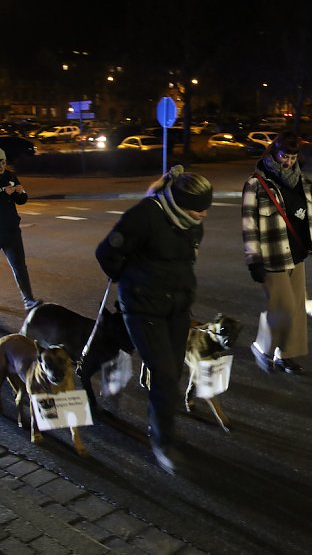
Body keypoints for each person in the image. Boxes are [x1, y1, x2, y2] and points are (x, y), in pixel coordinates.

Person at [95, 165, 213, 474]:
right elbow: (106, 253)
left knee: (173, 372)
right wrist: (132, 280)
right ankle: (163, 442)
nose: (203, 215)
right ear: (178, 203)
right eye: (197, 209)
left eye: (206, 209)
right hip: (143, 308)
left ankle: (160, 421)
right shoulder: (145, 216)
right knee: (164, 375)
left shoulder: (192, 223)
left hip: (176, 307)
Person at [241, 131, 312, 376]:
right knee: (281, 306)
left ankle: (286, 354)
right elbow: (249, 226)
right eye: (285, 156)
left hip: (297, 253)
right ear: (274, 153)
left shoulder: (303, 183)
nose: (288, 162)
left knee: (296, 309)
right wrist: (253, 260)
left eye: (293, 157)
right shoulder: (256, 184)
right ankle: (262, 347)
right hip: (272, 256)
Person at [0, 145, 41, 311]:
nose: (1, 166)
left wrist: (20, 193)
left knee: (19, 265)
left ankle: (28, 299)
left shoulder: (10, 176)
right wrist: (4, 194)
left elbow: (22, 200)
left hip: (11, 230)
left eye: (3, 162)